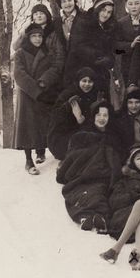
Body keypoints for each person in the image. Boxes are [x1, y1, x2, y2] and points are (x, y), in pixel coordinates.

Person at [56, 100, 122, 234]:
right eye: (98, 115)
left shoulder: (113, 137)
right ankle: (85, 216)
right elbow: (73, 156)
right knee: (84, 191)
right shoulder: (83, 135)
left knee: (101, 192)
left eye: (105, 115)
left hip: (103, 175)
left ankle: (97, 217)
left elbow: (117, 158)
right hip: (83, 175)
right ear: (93, 117)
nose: (102, 118)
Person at [13, 24, 60, 175]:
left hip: (43, 92)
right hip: (27, 94)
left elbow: (54, 69)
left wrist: (44, 81)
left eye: (40, 36)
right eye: (34, 36)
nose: (38, 39)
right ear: (28, 37)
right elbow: (19, 74)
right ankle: (28, 160)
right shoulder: (20, 52)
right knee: (27, 127)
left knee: (42, 124)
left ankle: (41, 151)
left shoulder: (47, 52)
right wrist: (35, 89)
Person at [62, 0, 116, 92]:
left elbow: (111, 49)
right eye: (103, 10)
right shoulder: (84, 21)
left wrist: (109, 59)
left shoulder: (109, 27)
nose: (106, 14)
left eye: (109, 12)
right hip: (80, 70)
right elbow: (78, 46)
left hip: (99, 71)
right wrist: (99, 56)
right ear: (97, 9)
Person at [47, 67, 101, 161]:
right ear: (78, 81)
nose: (87, 84)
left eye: (90, 81)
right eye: (84, 81)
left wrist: (81, 119)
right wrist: (68, 107)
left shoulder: (92, 95)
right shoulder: (68, 94)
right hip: (60, 139)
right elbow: (55, 118)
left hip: (78, 132)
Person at [12, 3, 64, 88]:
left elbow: (60, 57)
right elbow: (16, 47)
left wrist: (48, 77)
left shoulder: (54, 33)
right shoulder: (28, 32)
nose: (39, 16)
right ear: (33, 18)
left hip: (49, 75)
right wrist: (24, 33)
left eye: (42, 13)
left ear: (47, 15)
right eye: (36, 14)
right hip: (30, 75)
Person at [114, 85, 140, 162]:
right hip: (128, 157)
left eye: (137, 102)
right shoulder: (120, 120)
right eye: (130, 102)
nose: (134, 106)